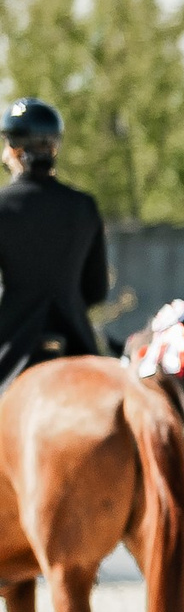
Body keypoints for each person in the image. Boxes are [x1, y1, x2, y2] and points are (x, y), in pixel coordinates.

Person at [0, 99, 110, 394]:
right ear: (54, 149)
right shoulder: (84, 206)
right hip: (76, 342)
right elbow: (96, 290)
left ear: (13, 150)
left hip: (12, 348)